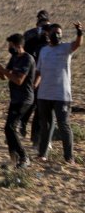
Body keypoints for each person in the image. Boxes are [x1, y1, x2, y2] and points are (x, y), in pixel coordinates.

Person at [35, 21, 82, 165]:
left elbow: (77, 44)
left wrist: (80, 32)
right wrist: (34, 87)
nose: (56, 35)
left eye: (59, 33)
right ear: (48, 34)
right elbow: (39, 71)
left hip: (61, 94)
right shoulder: (44, 50)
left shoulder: (65, 48)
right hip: (44, 94)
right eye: (54, 32)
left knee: (64, 125)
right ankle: (42, 154)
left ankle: (69, 157)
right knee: (46, 125)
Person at [0, 33, 36, 169]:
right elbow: (3, 76)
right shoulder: (14, 58)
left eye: (11, 45)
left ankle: (24, 157)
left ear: (18, 45)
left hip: (25, 99)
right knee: (8, 129)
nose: (9, 48)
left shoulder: (28, 59)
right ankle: (14, 160)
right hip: (15, 98)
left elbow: (18, 80)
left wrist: (3, 69)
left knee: (11, 128)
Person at [20, 10, 51, 142]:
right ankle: (22, 123)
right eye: (41, 24)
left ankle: (35, 137)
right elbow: (23, 49)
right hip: (32, 73)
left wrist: (47, 36)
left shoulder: (51, 34)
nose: (44, 27)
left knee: (40, 107)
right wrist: (37, 36)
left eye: (46, 25)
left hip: (46, 75)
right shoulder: (30, 34)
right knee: (30, 102)